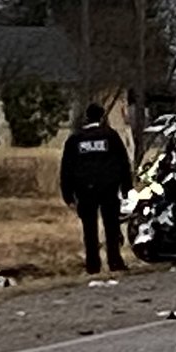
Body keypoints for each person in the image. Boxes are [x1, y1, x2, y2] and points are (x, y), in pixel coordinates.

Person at [60, 103, 133, 275]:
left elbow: (66, 168)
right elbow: (123, 163)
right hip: (108, 188)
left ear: (86, 117)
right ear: (101, 117)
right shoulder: (111, 136)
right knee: (112, 226)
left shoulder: (75, 139)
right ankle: (115, 261)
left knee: (89, 229)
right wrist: (126, 188)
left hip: (84, 190)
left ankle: (93, 265)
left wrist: (68, 195)